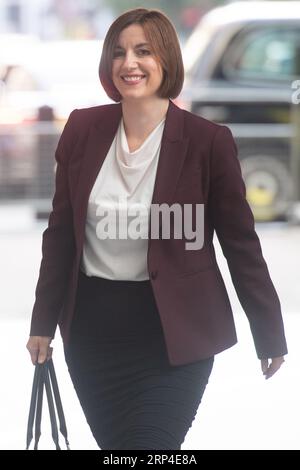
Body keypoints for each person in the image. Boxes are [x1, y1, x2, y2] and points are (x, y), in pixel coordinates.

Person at [26, 8, 287, 450]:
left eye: (143, 51)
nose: (130, 63)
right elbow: (61, 234)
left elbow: (241, 244)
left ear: (165, 59)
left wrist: (269, 330)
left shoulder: (208, 141)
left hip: (175, 338)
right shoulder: (83, 129)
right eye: (119, 53)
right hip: (94, 337)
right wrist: (42, 323)